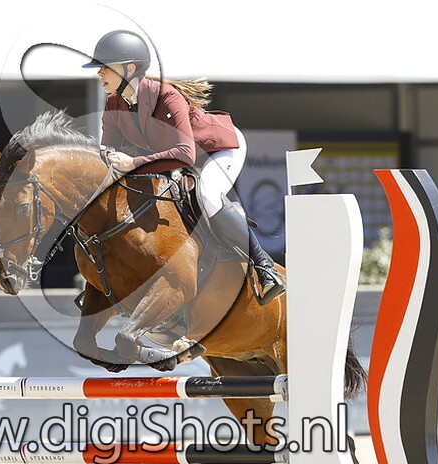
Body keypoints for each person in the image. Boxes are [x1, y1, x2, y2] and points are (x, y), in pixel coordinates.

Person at [82, 29, 285, 304]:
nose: (99, 73)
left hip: (216, 149)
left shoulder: (166, 96)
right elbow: (109, 150)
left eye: (105, 67)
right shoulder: (113, 103)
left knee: (207, 196)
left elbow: (185, 154)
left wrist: (133, 163)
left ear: (129, 68)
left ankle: (265, 268)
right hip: (171, 156)